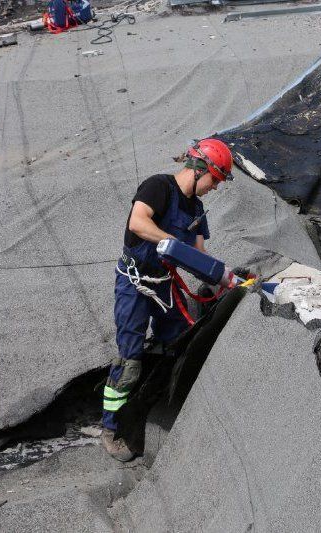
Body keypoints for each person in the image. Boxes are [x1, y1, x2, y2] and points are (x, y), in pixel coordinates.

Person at [101, 138, 234, 461]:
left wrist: (226, 277)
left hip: (165, 285)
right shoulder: (157, 187)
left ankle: (159, 407)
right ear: (199, 169)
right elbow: (138, 223)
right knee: (129, 360)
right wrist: (173, 243)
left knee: (179, 343)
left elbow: (199, 255)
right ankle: (113, 428)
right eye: (215, 180)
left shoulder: (197, 210)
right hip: (135, 282)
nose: (214, 188)